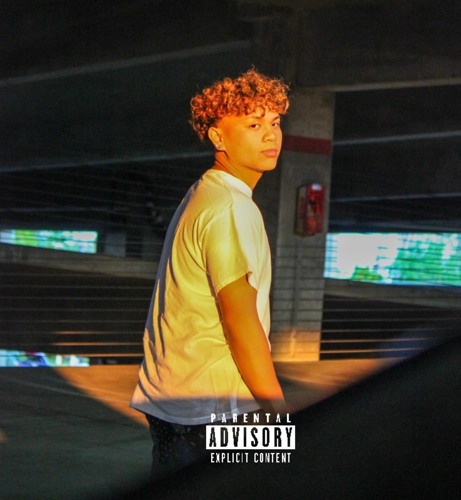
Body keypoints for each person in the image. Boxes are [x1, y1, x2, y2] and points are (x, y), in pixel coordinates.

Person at [130, 68, 290, 476]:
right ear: (218, 137)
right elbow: (241, 321)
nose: (270, 136)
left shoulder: (204, 192)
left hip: (173, 400)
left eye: (274, 123)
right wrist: (278, 412)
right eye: (253, 125)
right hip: (219, 409)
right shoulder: (231, 208)